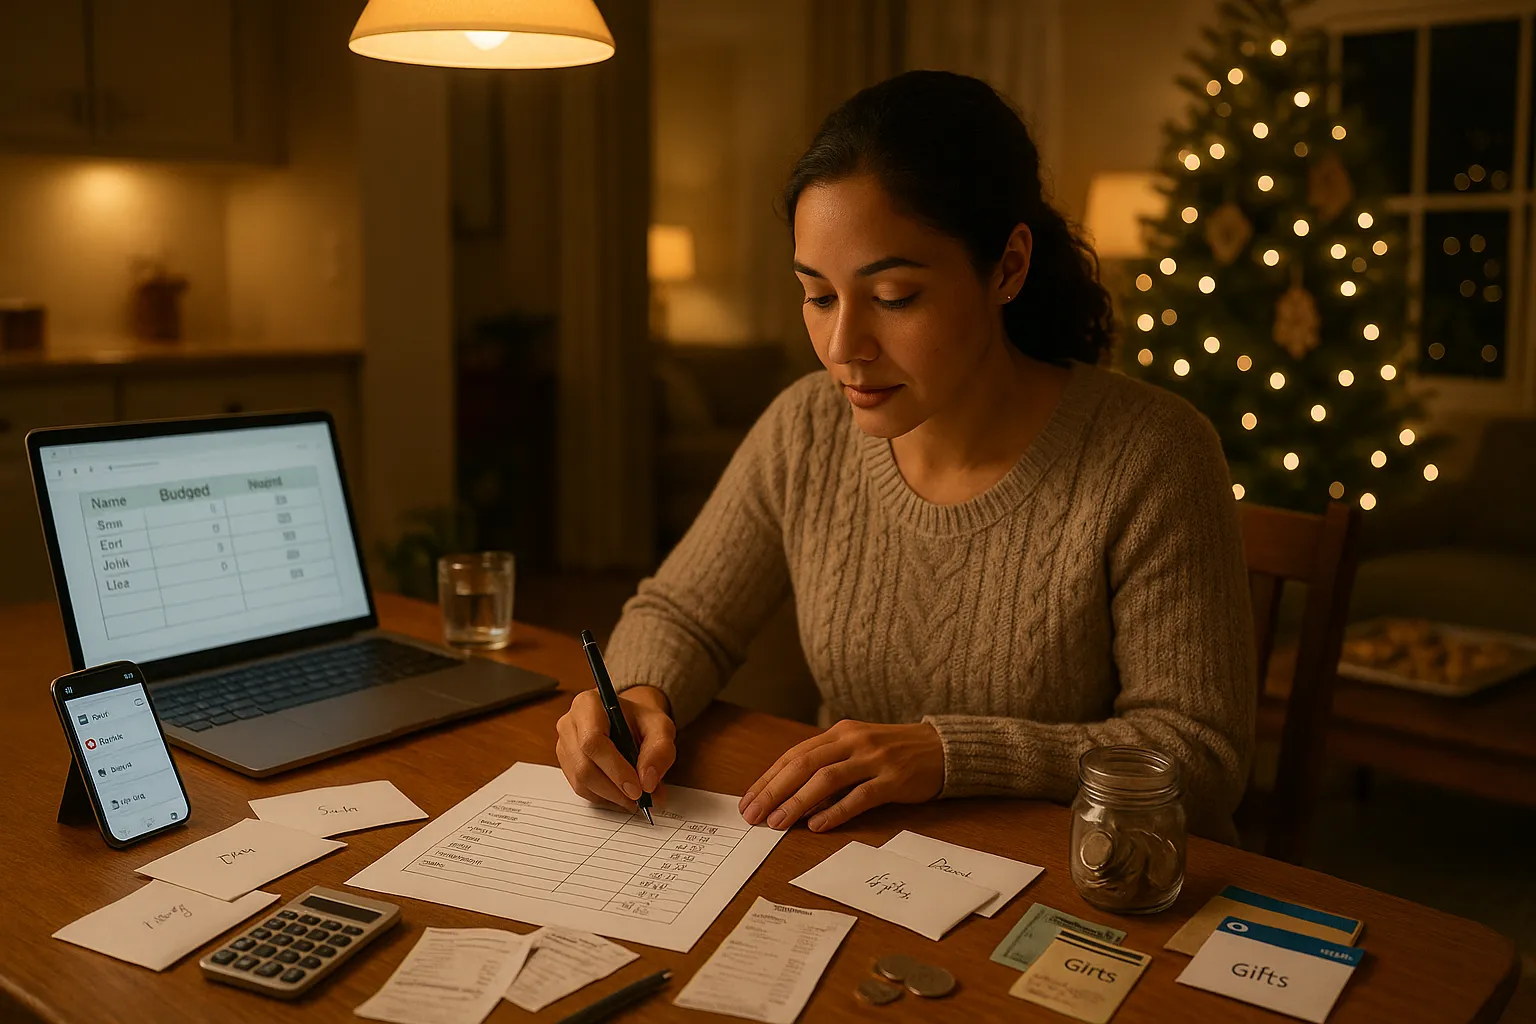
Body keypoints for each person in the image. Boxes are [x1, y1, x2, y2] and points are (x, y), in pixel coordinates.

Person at [555, 69, 1256, 842]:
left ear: (1008, 268)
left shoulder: (1153, 455)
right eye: (818, 296)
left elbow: (1200, 756)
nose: (842, 347)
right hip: (858, 865)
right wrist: (639, 697)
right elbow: (683, 612)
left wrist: (951, 755)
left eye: (893, 298)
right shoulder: (807, 429)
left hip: (1075, 879)